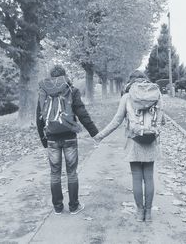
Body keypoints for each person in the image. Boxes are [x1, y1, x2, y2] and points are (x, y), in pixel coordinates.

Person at [94, 70, 163, 222]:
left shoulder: (127, 97)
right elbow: (161, 120)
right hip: (150, 140)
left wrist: (100, 135)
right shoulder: (156, 95)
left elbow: (117, 120)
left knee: (137, 178)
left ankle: (139, 213)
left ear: (130, 81)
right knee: (149, 177)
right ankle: (149, 214)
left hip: (134, 141)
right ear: (145, 80)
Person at [36, 64, 98, 215]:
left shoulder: (44, 92)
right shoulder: (72, 91)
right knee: (72, 173)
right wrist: (94, 133)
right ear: (64, 76)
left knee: (54, 173)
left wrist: (44, 141)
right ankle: (73, 206)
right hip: (69, 136)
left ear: (51, 77)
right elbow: (82, 113)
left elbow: (39, 118)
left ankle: (57, 207)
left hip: (51, 138)